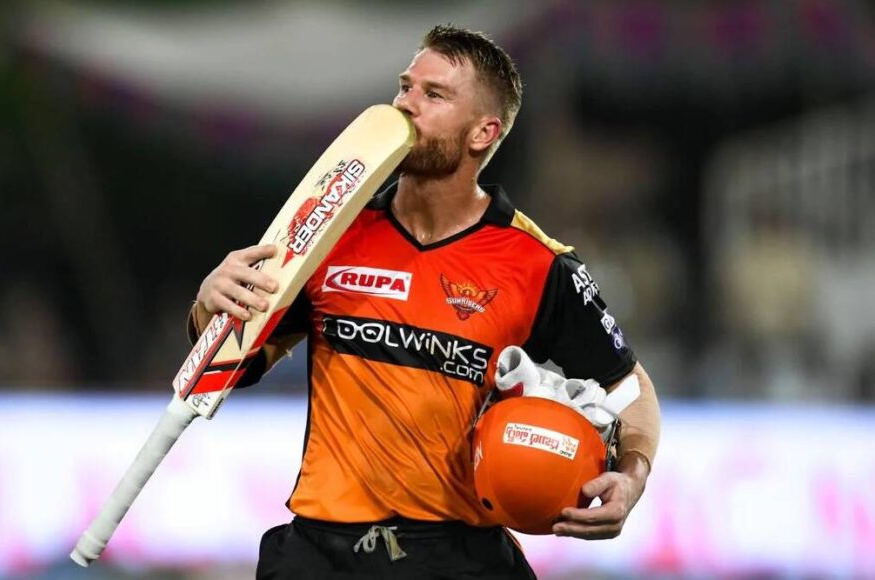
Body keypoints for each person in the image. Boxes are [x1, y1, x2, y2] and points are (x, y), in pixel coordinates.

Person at [188, 25, 661, 580]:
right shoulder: (328, 233)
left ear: (483, 132)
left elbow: (629, 388)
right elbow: (230, 367)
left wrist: (632, 477)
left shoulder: (538, 263)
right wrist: (210, 304)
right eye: (405, 86)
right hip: (319, 554)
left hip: (455, 556)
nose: (405, 104)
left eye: (433, 94)